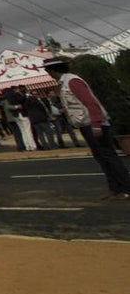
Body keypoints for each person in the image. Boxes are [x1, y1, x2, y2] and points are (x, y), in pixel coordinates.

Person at [41, 57, 130, 200]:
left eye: (47, 70)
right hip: (85, 124)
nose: (47, 73)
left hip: (93, 124)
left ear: (53, 70)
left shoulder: (73, 81)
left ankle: (126, 188)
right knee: (101, 158)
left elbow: (90, 103)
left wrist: (96, 124)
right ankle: (114, 188)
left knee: (109, 157)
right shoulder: (65, 82)